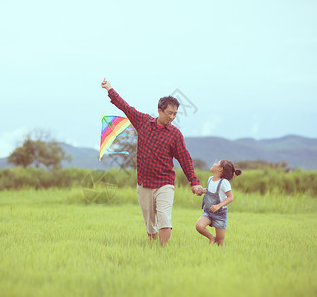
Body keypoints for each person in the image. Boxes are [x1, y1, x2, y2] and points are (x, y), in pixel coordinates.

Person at [101, 79, 205, 246]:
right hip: (144, 183)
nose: (172, 117)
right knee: (150, 226)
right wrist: (109, 89)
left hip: (165, 183)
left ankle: (163, 251)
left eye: (175, 114)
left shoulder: (175, 134)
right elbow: (126, 107)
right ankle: (154, 248)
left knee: (164, 217)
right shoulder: (143, 121)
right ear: (159, 110)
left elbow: (185, 159)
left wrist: (194, 182)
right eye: (169, 113)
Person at [196, 160, 241, 246]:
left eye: (217, 163)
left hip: (220, 214)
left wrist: (218, 206)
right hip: (208, 212)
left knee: (220, 241)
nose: (214, 164)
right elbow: (210, 191)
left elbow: (230, 197)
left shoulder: (224, 182)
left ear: (220, 169)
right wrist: (203, 191)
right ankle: (212, 238)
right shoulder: (210, 179)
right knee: (199, 226)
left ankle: (222, 255)